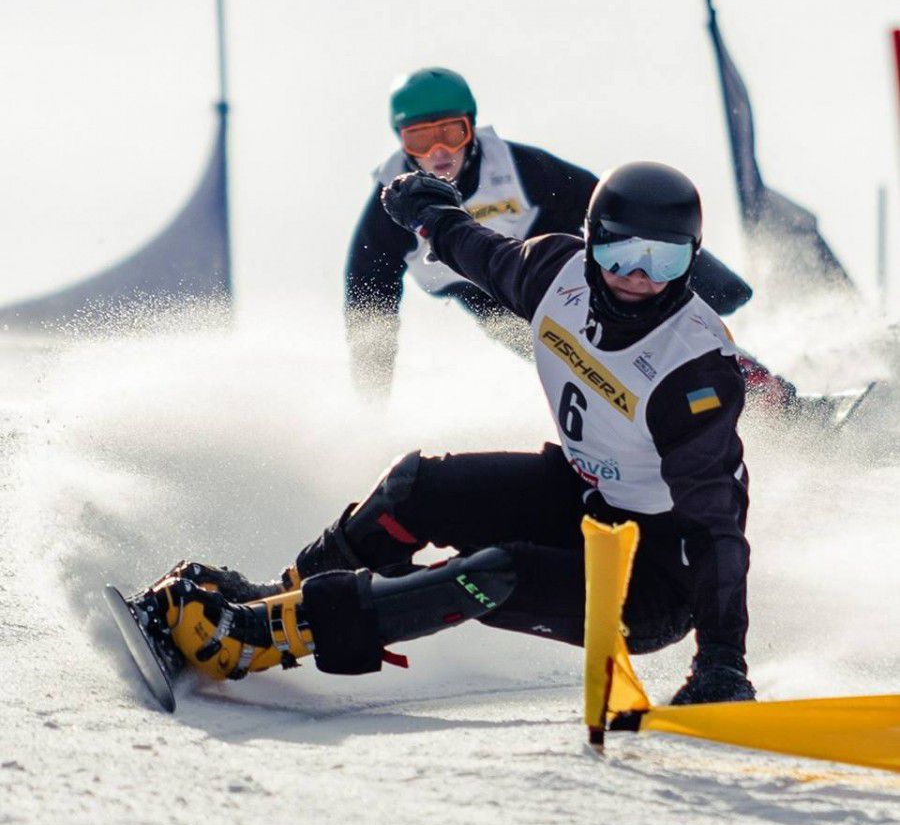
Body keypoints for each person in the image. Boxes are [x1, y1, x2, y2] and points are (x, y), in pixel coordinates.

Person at [132, 161, 755, 707]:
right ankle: (281, 598)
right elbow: (479, 250)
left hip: (653, 579)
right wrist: (430, 212)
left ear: (691, 261)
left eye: (665, 259)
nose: (641, 278)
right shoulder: (554, 273)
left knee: (489, 573)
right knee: (418, 488)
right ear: (592, 244)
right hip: (586, 500)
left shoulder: (693, 373)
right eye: (623, 254)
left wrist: (723, 657)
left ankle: (260, 642)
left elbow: (716, 525)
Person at [346, 67, 753, 395]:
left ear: (471, 128)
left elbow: (608, 203)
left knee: (645, 313)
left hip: (554, 267)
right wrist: (372, 400)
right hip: (495, 303)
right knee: (593, 364)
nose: (438, 153)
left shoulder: (519, 169)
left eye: (451, 134)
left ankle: (757, 390)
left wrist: (705, 276)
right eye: (420, 139)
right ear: (401, 142)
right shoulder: (391, 208)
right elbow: (369, 303)